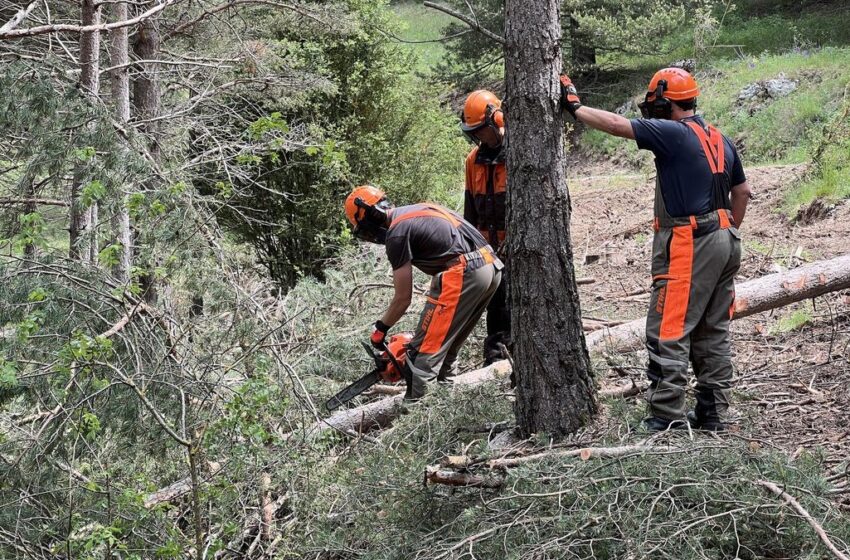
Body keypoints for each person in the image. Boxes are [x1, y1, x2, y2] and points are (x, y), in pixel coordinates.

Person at [560, 67, 752, 432]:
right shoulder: (720, 138)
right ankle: (713, 413)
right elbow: (742, 193)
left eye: (655, 106)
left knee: (668, 326)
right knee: (712, 329)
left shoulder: (673, 132)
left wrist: (575, 107)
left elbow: (616, 124)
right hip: (726, 237)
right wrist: (725, 230)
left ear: (665, 105)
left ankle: (667, 415)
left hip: (690, 240)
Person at [344, 185, 504, 399]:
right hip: (491, 267)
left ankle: (417, 413)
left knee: (421, 359)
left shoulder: (397, 233)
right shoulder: (417, 209)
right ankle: (445, 406)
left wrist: (380, 329)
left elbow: (403, 298)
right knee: (445, 352)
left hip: (464, 272)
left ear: (371, 216)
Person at [460, 90, 511, 365]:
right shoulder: (473, 161)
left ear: (497, 120)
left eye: (481, 129)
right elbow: (470, 210)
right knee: (496, 306)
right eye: (474, 132)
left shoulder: (516, 154)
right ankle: (495, 361)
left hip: (515, 247)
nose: (479, 136)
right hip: (487, 249)